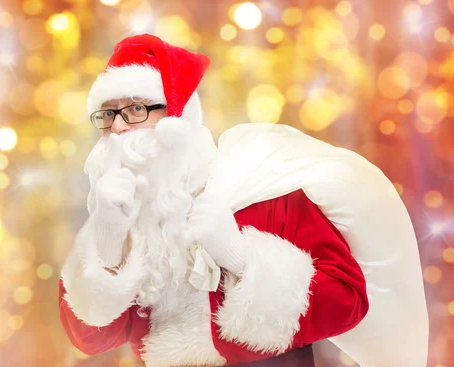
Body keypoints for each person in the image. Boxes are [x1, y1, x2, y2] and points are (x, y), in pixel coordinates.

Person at [58, 34, 428, 367]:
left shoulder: (261, 187)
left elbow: (347, 302)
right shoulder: (119, 213)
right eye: (108, 114)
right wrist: (105, 244)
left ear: (177, 117)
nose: (119, 127)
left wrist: (240, 255)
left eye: (136, 109)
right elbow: (90, 340)